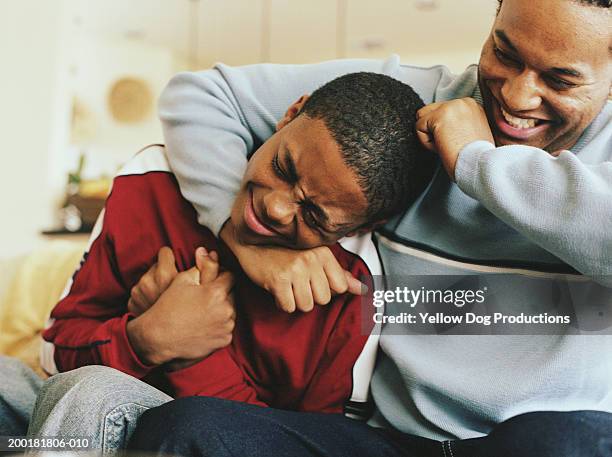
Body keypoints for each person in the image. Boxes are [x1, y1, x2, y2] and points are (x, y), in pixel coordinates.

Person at [127, 0, 612, 456]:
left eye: (561, 80)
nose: (515, 94)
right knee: (186, 429)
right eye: (504, 53)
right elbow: (202, 95)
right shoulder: (411, 103)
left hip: (541, 441)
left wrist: (476, 161)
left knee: (582, 440)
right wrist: (240, 236)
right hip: (384, 440)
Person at [10, 73, 436, 450]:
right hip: (72, 423)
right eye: (284, 167)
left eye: (313, 216)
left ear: (362, 225)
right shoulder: (154, 180)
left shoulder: (356, 288)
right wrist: (144, 338)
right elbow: (53, 352)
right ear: (291, 114)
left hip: (171, 429)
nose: (274, 207)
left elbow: (293, 446)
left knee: (92, 391)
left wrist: (192, 353)